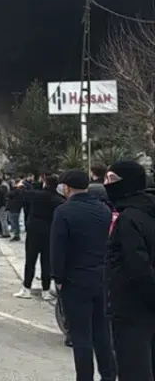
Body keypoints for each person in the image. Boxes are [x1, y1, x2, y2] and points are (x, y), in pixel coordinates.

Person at [52, 169, 117, 381]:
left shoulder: (63, 212)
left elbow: (58, 248)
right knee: (102, 332)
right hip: (101, 277)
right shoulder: (103, 209)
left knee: (81, 336)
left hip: (75, 280)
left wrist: (58, 277)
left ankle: (85, 377)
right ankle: (109, 375)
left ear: (66, 187)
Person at [105, 160, 155, 381]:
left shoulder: (128, 219)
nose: (106, 184)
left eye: (112, 179)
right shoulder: (146, 211)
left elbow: (137, 267)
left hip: (131, 308)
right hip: (145, 308)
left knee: (133, 369)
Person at [15, 173, 64, 300]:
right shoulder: (59, 199)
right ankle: (46, 290)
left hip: (34, 232)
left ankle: (26, 288)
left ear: (45, 183)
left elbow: (22, 193)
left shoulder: (36, 195)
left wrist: (21, 185)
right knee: (46, 262)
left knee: (30, 261)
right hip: (49, 233)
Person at [6, 178, 25, 242]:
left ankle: (17, 235)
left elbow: (9, 194)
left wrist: (14, 187)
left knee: (15, 222)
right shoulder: (18, 190)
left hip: (15, 208)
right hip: (15, 208)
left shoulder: (17, 190)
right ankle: (16, 234)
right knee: (14, 221)